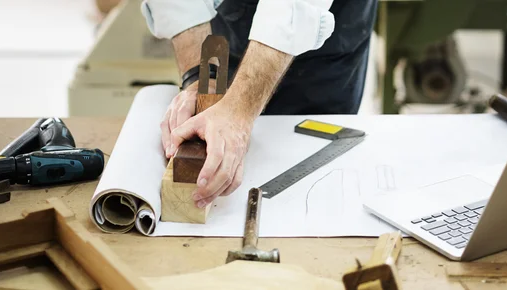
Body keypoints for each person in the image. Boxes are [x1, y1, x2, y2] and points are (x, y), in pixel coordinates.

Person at [141, 0, 377, 208]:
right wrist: (200, 79)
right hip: (235, 16)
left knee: (316, 187)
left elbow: (291, 8)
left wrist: (238, 111)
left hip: (326, 35)